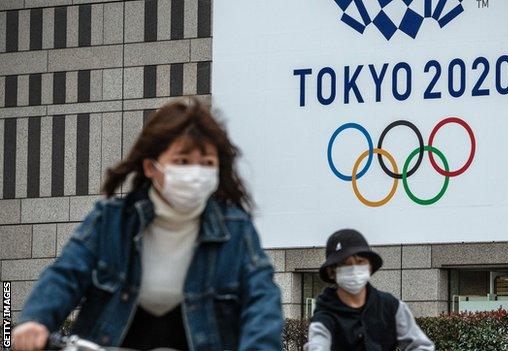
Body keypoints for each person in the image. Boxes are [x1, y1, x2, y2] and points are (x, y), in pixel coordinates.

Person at [11, 98, 284, 351]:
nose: (196, 173)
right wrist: (36, 319)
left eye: (207, 163)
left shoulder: (236, 229)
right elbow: (67, 274)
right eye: (182, 161)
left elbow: (261, 298)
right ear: (151, 167)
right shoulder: (111, 220)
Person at [304, 229, 435, 351]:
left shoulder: (391, 306)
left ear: (370, 267)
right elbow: (318, 345)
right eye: (345, 264)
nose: (354, 269)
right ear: (332, 272)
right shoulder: (324, 317)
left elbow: (421, 346)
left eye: (360, 262)